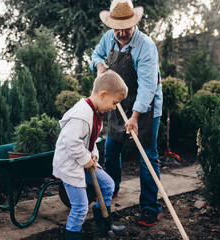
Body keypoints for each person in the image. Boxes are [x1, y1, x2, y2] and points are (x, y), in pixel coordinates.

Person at [90, 0, 163, 227]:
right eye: (116, 28)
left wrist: (135, 116)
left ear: (134, 23)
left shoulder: (145, 45)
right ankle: (111, 190)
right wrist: (99, 65)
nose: (121, 33)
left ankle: (151, 208)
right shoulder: (108, 39)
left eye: (126, 28)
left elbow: (148, 86)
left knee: (147, 158)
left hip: (145, 108)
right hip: (117, 105)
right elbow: (95, 55)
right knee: (111, 151)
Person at [53, 70, 128, 239]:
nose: (114, 107)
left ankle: (104, 226)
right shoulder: (81, 114)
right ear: (103, 95)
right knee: (80, 207)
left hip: (84, 160)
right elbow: (71, 142)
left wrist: (93, 156)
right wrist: (85, 158)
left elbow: (91, 141)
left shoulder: (96, 113)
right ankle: (73, 235)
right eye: (114, 103)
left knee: (108, 185)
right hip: (70, 164)